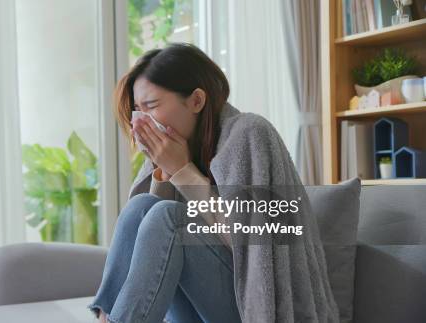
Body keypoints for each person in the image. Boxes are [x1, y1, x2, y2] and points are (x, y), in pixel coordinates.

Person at [87, 43, 338, 323]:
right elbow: (154, 249)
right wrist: (166, 171)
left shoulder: (248, 133)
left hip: (253, 306)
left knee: (167, 217)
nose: (140, 122)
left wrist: (183, 170)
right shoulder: (173, 147)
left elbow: (254, 244)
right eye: (137, 110)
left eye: (152, 106)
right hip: (196, 308)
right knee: (142, 207)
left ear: (196, 101)